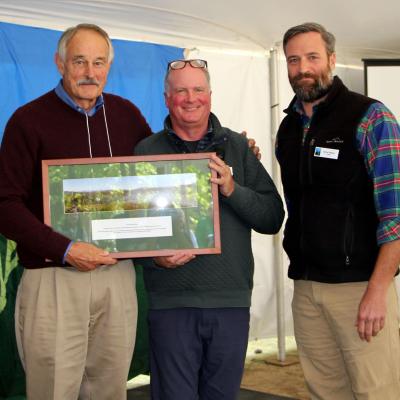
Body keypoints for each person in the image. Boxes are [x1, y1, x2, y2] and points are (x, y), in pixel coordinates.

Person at [0, 24, 152, 400]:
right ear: (59, 63)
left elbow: (159, 173)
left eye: (99, 62)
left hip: (117, 273)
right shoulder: (28, 119)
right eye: (79, 61)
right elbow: (5, 204)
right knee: (52, 391)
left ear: (109, 66)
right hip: (54, 279)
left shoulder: (127, 114)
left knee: (110, 388)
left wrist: (228, 149)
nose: (89, 71)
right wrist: (66, 248)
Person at [134, 58, 285, 400]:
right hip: (170, 305)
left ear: (210, 95)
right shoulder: (147, 150)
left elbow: (272, 218)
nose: (191, 98)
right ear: (166, 98)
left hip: (229, 303)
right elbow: (133, 231)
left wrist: (233, 190)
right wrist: (156, 259)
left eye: (198, 89)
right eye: (181, 91)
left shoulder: (238, 147)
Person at [276, 22, 400, 399]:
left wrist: (378, 290)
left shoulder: (371, 118)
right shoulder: (288, 128)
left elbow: (395, 216)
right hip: (307, 287)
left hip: (360, 288)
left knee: (375, 391)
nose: (303, 68)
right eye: (294, 60)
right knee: (323, 391)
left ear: (331, 59)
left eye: (312, 57)